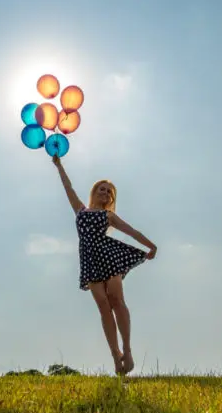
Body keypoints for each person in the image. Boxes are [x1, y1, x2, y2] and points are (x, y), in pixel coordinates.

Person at [52, 155, 157, 376]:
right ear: (94, 192)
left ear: (111, 199)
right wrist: (59, 165)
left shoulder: (109, 216)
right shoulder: (80, 211)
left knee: (116, 299)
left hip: (109, 257)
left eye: (109, 191)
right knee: (103, 306)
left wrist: (151, 246)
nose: (105, 192)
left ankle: (127, 351)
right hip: (90, 261)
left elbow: (132, 231)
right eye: (102, 188)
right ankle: (115, 355)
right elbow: (68, 187)